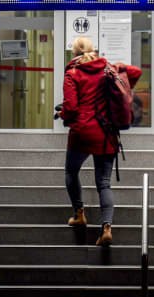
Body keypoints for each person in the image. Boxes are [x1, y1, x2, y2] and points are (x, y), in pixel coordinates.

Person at [58, 36, 142, 246]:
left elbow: (71, 107)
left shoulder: (72, 73)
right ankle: (106, 229)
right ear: (93, 50)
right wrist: (119, 66)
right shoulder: (107, 69)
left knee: (71, 171)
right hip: (106, 133)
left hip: (82, 133)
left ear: (74, 53)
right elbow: (135, 73)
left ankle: (79, 214)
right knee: (104, 183)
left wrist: (62, 114)